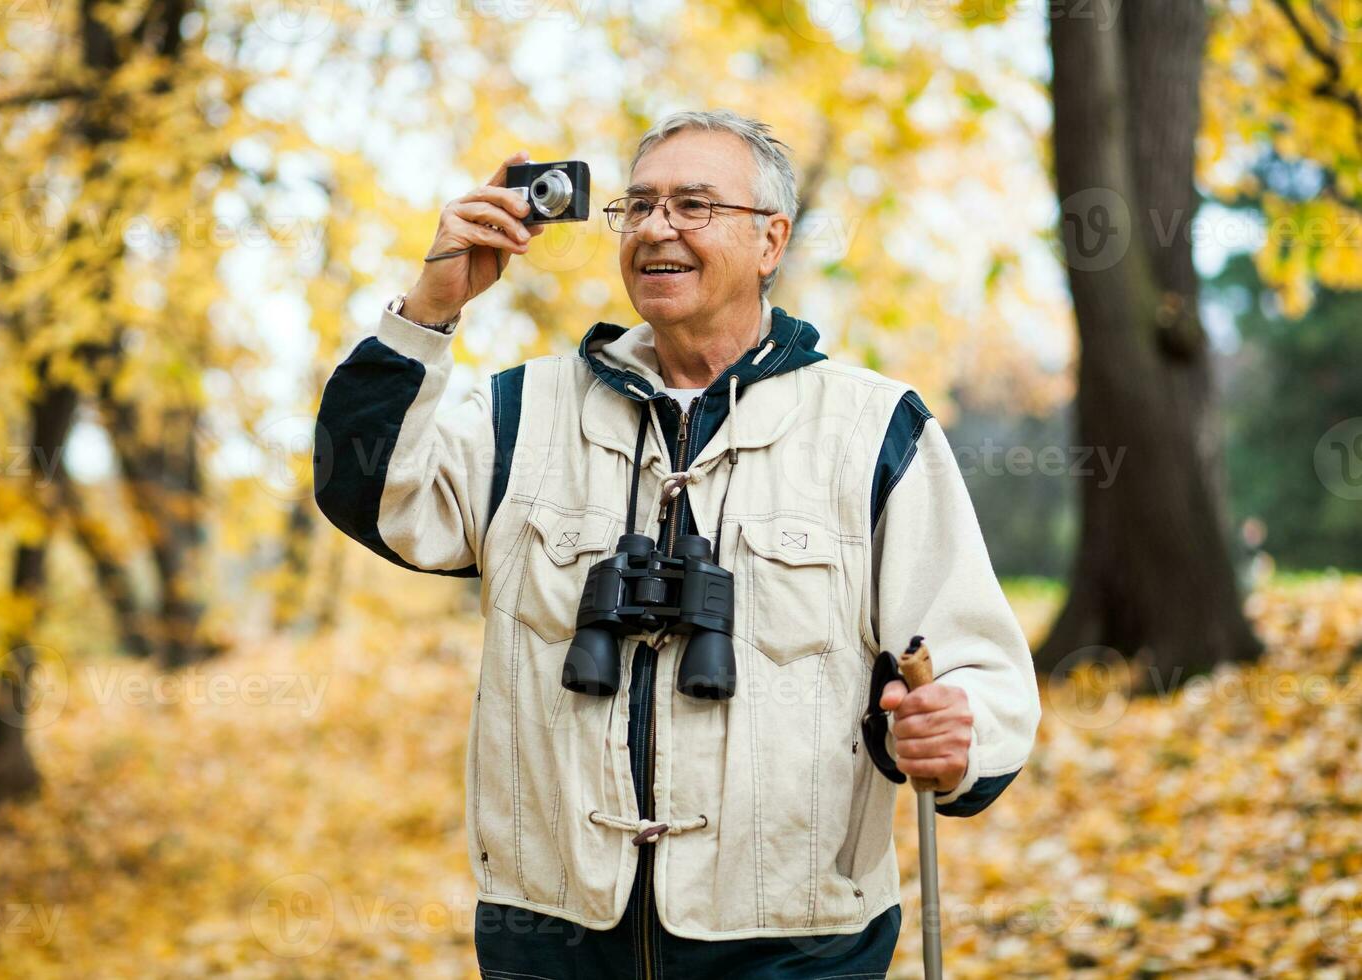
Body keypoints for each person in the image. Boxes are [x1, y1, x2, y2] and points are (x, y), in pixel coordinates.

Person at [314, 109, 1040, 979]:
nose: (658, 227)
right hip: (553, 935)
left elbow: (975, 667)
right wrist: (432, 306)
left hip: (798, 945)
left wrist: (963, 735)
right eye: (640, 206)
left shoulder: (873, 427)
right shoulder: (524, 413)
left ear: (772, 240)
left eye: (695, 205)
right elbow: (367, 487)